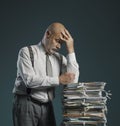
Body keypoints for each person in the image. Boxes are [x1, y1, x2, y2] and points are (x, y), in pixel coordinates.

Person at [12, 22, 79, 126]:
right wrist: (58, 80)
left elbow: (72, 82)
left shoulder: (60, 58)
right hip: (26, 103)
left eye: (62, 43)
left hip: (47, 106)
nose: (59, 46)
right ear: (48, 34)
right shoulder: (26, 52)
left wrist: (71, 49)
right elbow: (29, 81)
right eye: (57, 41)